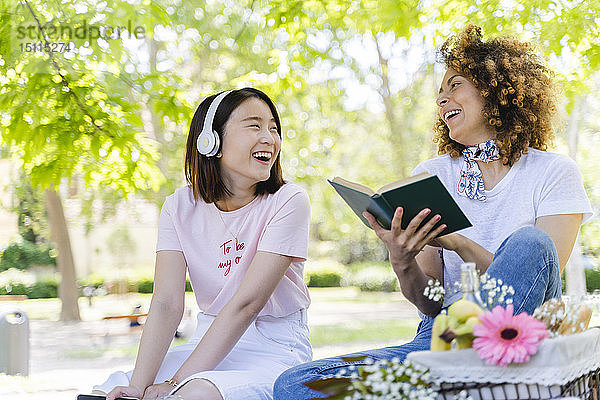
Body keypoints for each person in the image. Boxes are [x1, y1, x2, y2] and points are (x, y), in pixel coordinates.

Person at [273, 25, 593, 399]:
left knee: (531, 243)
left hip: (515, 335)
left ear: (496, 89)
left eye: (454, 85)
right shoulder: (433, 175)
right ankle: (457, 380)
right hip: (438, 339)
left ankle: (456, 373)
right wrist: (402, 259)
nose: (442, 99)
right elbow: (431, 300)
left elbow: (537, 276)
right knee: (295, 385)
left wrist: (458, 243)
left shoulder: (553, 172)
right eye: (439, 93)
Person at [93, 88, 312, 400]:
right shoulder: (178, 206)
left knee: (194, 394)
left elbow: (247, 305)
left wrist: (175, 383)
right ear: (211, 141)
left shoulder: (289, 200)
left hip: (275, 348)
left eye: (273, 128)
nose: (269, 138)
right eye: (254, 125)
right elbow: (167, 303)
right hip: (206, 342)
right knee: (110, 391)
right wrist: (137, 387)